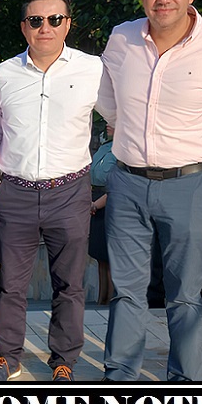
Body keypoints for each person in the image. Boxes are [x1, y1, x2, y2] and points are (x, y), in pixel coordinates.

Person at [96, 0, 202, 382]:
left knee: (185, 292)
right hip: (126, 182)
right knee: (127, 291)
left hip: (191, 184)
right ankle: (120, 375)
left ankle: (185, 381)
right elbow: (108, 102)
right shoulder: (121, 38)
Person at [0, 0, 101, 382]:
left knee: (69, 284)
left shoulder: (92, 70)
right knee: (10, 284)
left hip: (69, 192)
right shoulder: (3, 74)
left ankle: (64, 359)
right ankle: (8, 355)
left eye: (54, 19)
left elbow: (124, 119)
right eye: (36, 20)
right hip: (14, 192)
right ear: (24, 27)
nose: (45, 27)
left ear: (68, 24)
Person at [89, 124, 117, 305]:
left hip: (110, 202)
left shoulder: (124, 150)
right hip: (93, 200)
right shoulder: (105, 147)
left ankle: (113, 298)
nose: (108, 124)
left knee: (110, 256)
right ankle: (102, 298)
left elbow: (119, 183)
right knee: (99, 255)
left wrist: (96, 205)